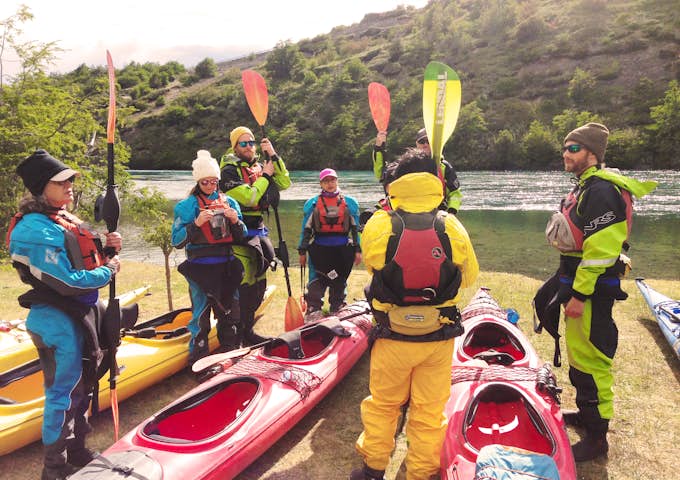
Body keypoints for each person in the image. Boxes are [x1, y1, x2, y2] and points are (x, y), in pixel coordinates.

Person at [351, 148, 479, 480]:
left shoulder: (380, 223)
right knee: (429, 410)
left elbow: (372, 265)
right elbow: (469, 277)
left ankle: (373, 468)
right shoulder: (452, 224)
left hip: (393, 335)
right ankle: (421, 472)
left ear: (397, 183)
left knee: (383, 404)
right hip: (437, 337)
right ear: (435, 182)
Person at [534, 123, 657, 462]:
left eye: (573, 148)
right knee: (580, 355)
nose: (566, 153)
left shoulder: (602, 190)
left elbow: (601, 251)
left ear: (592, 154)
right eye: (565, 147)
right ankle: (588, 417)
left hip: (591, 292)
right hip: (578, 284)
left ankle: (598, 438)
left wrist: (580, 295)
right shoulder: (586, 187)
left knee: (594, 359)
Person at [7, 150, 122, 480]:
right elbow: (67, 282)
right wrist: (109, 270)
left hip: (81, 315)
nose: (71, 185)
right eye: (62, 181)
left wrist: (108, 248)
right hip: (56, 319)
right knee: (63, 393)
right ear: (43, 188)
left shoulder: (63, 219)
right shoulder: (33, 231)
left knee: (83, 387)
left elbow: (87, 259)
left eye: (71, 179)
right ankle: (53, 469)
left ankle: (77, 451)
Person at [172, 150, 247, 363]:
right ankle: (198, 355)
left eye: (214, 182)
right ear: (198, 182)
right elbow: (176, 242)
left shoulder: (230, 203)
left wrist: (236, 222)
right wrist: (196, 224)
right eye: (205, 182)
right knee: (201, 316)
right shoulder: (186, 206)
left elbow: (242, 236)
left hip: (226, 266)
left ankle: (230, 349)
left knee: (230, 312)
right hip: (200, 269)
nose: (211, 186)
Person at [220, 126, 291, 344]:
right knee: (244, 283)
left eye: (251, 143)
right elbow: (249, 198)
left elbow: (285, 183)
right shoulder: (228, 171)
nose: (249, 147)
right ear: (235, 146)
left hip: (259, 231)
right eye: (244, 143)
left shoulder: (259, 167)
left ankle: (248, 331)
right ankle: (236, 334)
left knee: (259, 283)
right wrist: (266, 176)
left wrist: (274, 156)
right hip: (239, 234)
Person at [297, 168, 362, 321]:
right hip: (320, 250)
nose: (330, 183)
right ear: (321, 184)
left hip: (342, 250)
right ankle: (313, 309)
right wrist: (302, 252)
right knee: (317, 278)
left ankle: (337, 307)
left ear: (337, 181)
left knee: (339, 280)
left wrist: (358, 250)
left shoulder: (350, 203)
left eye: (332, 180)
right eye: (326, 181)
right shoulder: (312, 204)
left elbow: (355, 229)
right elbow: (305, 230)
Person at [373, 127, 462, 213]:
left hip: (435, 212)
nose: (425, 144)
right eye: (422, 141)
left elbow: (455, 193)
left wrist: (451, 211)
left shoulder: (444, 167)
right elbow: (382, 174)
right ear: (417, 143)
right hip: (405, 212)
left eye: (428, 141)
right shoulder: (407, 163)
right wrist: (379, 148)